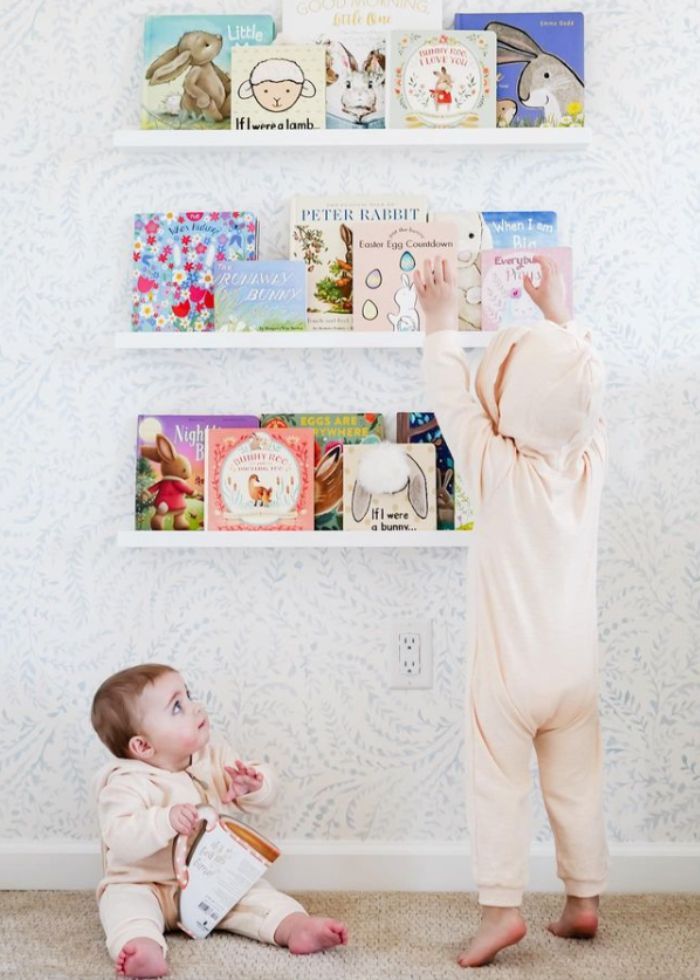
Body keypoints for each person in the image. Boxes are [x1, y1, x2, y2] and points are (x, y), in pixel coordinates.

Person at [417, 256, 607, 968]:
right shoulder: (589, 462)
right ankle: (583, 900)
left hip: (506, 678)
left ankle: (502, 910)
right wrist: (563, 312)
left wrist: (439, 324)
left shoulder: (498, 467)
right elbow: (587, 395)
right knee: (577, 785)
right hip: (575, 676)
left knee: (496, 785)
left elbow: (451, 399)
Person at [91, 663, 348, 978]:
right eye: (177, 706)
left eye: (189, 695)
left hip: (210, 879)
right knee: (122, 905)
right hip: (145, 884)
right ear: (143, 746)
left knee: (255, 895)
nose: (195, 706)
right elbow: (120, 837)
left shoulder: (212, 757)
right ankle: (142, 946)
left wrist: (253, 785)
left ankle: (295, 927)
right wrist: (165, 820)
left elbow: (260, 786)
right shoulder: (125, 783)